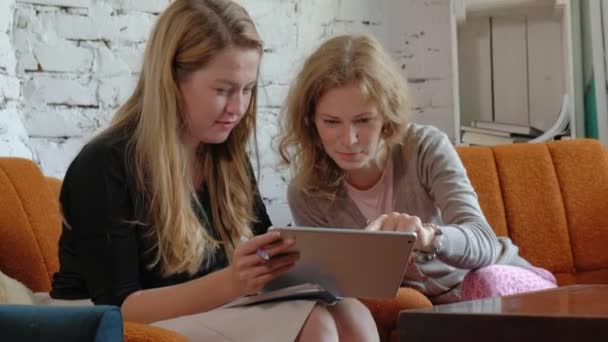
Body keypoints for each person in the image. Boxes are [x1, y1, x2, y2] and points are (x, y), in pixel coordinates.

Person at [49, 1, 378, 341]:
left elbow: (265, 249)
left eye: (248, 90)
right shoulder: (104, 164)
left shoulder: (224, 157)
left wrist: (306, 260)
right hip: (101, 323)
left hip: (200, 312)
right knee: (315, 324)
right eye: (223, 90)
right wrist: (234, 281)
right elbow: (119, 307)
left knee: (352, 312)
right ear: (171, 80)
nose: (238, 108)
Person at [277, 34, 557, 304]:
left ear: (386, 114)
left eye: (363, 120)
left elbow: (484, 242)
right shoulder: (307, 193)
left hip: (501, 281)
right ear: (310, 121)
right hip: (430, 311)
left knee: (485, 283)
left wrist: (428, 237)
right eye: (332, 122)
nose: (349, 139)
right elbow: (334, 285)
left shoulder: (423, 148)